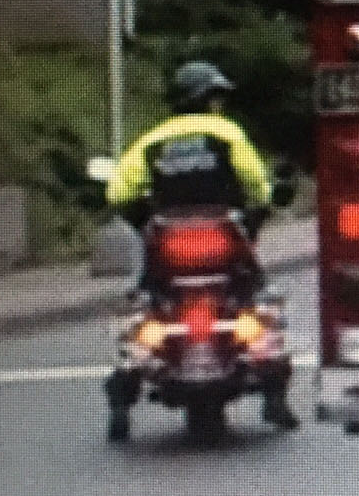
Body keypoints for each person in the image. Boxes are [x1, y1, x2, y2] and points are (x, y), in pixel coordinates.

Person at [105, 60, 296, 431]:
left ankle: (122, 398)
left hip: (167, 244)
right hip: (224, 240)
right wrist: (264, 201)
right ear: (207, 100)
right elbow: (258, 185)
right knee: (258, 296)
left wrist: (142, 211)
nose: (218, 106)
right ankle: (274, 398)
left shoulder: (152, 140)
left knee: (145, 299)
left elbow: (118, 191)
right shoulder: (226, 134)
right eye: (216, 98)